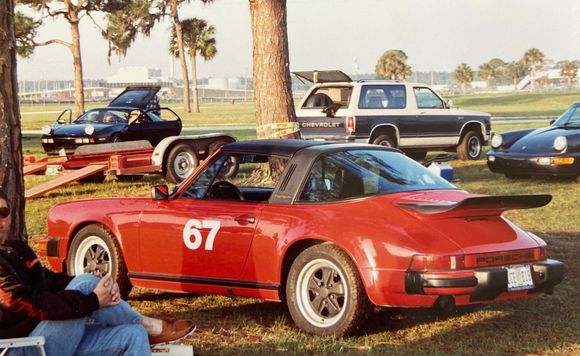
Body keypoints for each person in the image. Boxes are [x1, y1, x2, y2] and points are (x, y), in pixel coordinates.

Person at [0, 189, 195, 355]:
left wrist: (98, 283)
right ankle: (149, 325)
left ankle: (143, 327)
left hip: (50, 334)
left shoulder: (17, 249)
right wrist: (93, 300)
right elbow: (28, 303)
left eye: (3, 211)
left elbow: (50, 281)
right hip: (21, 346)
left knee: (133, 333)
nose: (0, 220)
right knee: (85, 285)